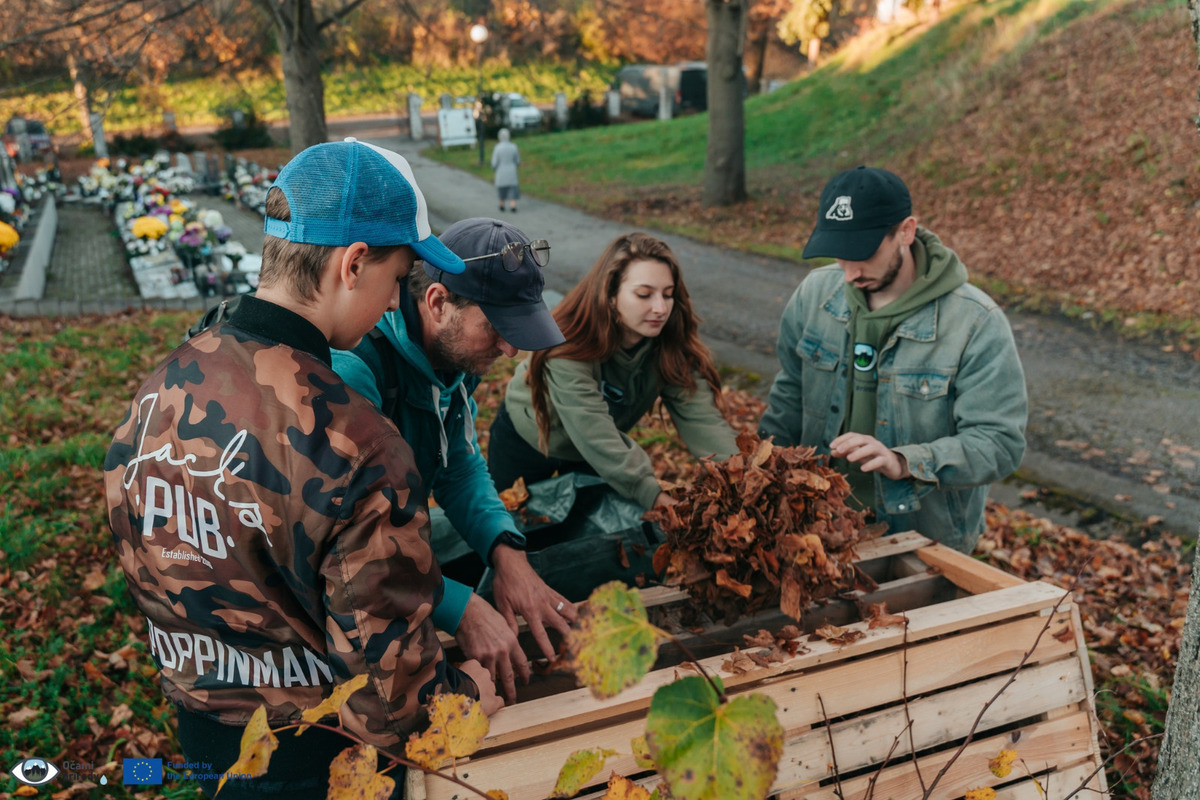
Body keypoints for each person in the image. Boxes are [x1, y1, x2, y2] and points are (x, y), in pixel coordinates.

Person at [104, 139, 500, 799]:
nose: (394, 302)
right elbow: (392, 699)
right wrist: (466, 698)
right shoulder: (355, 439)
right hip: (321, 767)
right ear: (353, 264)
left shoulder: (160, 387)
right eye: (398, 280)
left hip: (206, 745)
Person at [331, 217, 572, 704]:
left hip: (392, 565)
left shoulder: (454, 360)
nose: (509, 348)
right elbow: (352, 541)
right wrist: (458, 607)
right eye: (497, 328)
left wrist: (508, 556)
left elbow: (459, 467)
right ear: (438, 303)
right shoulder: (356, 371)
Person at [758, 165, 1027, 553]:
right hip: (814, 529)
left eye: (862, 254)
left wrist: (904, 462)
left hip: (922, 538)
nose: (849, 273)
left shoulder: (975, 322)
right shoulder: (815, 294)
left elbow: (999, 444)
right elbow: (789, 396)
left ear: (905, 231)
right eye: (839, 255)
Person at [488, 232, 739, 511]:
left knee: (593, 535)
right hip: (528, 442)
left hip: (596, 454)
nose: (660, 308)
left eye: (668, 295)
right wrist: (651, 493)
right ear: (609, 294)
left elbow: (703, 421)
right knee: (514, 527)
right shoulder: (567, 344)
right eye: (644, 294)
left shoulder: (670, 348)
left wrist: (744, 474)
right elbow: (591, 427)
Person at [491, 128, 520, 213]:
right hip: (511, 171)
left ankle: (502, 205)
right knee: (512, 190)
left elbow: (494, 162)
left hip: (501, 172)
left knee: (502, 189)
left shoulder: (497, 148)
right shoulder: (514, 146)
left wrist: (494, 168)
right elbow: (517, 161)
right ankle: (513, 205)